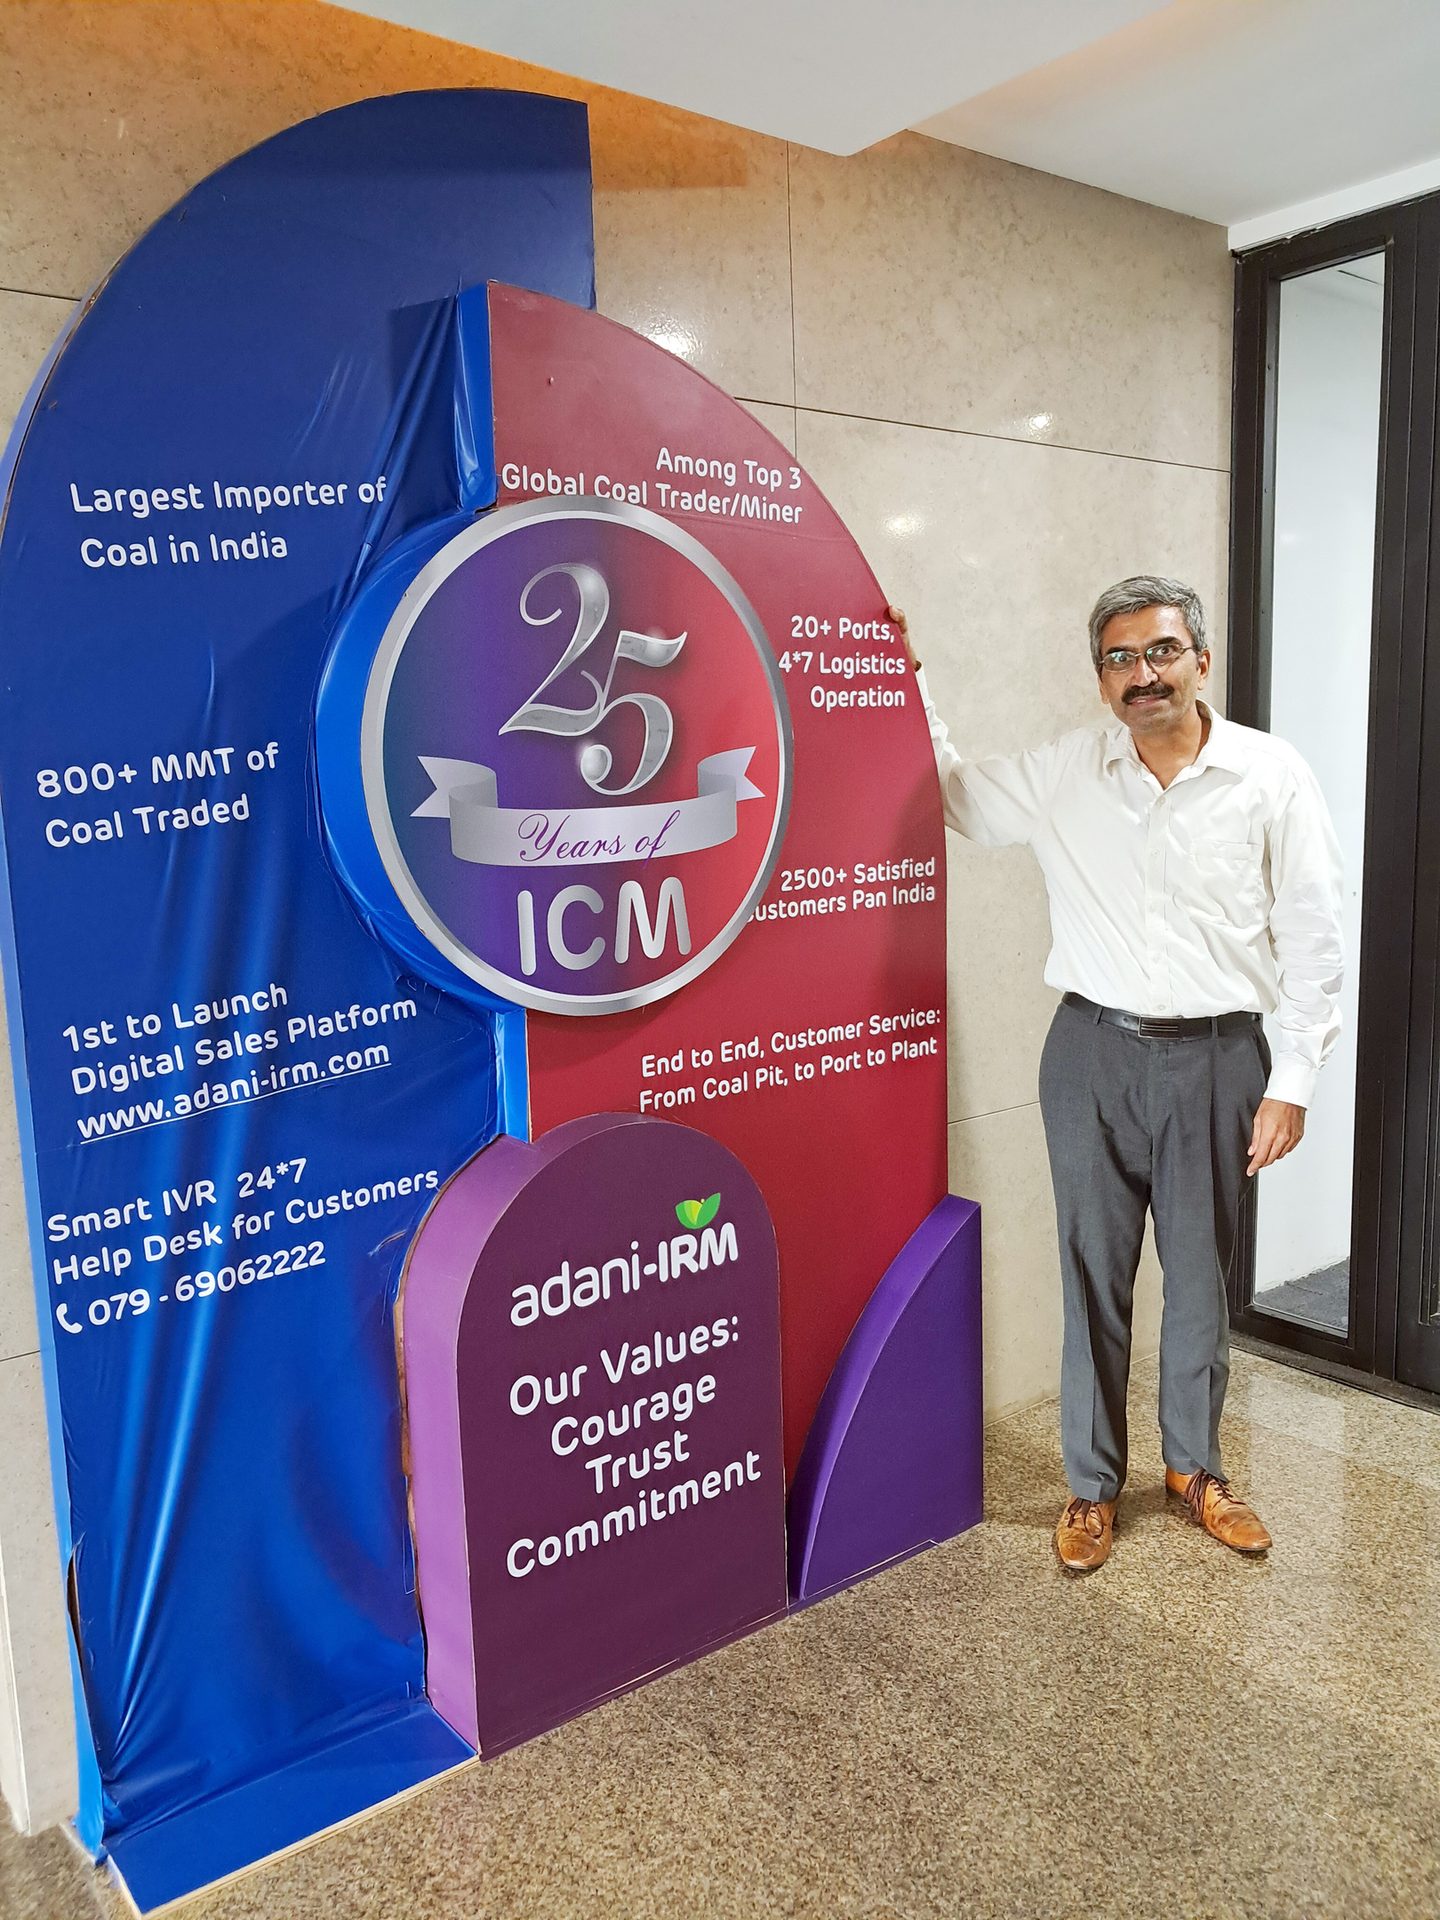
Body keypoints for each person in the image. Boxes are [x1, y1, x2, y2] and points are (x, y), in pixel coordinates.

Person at [892, 578, 1343, 1571]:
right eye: (1121, 658)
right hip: (1090, 1053)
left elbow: (1314, 936)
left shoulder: (1270, 776)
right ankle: (1091, 1487)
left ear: (1201, 661)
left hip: (1224, 1059)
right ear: (1101, 679)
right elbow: (952, 797)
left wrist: (1294, 1079)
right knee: (1091, 1272)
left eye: (1164, 652)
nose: (1145, 674)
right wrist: (906, 683)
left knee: (1199, 1277)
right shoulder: (1068, 770)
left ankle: (1195, 1471)